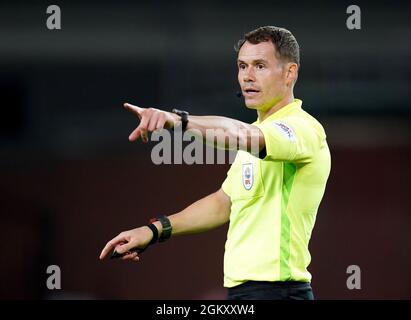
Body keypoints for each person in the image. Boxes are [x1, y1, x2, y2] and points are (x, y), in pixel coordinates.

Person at [99, 26, 331, 300]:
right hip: (243, 292)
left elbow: (239, 133)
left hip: (281, 292)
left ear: (289, 73)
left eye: (260, 65)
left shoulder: (303, 129)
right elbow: (223, 203)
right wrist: (153, 230)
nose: (247, 76)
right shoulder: (256, 136)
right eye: (242, 66)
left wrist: (178, 120)